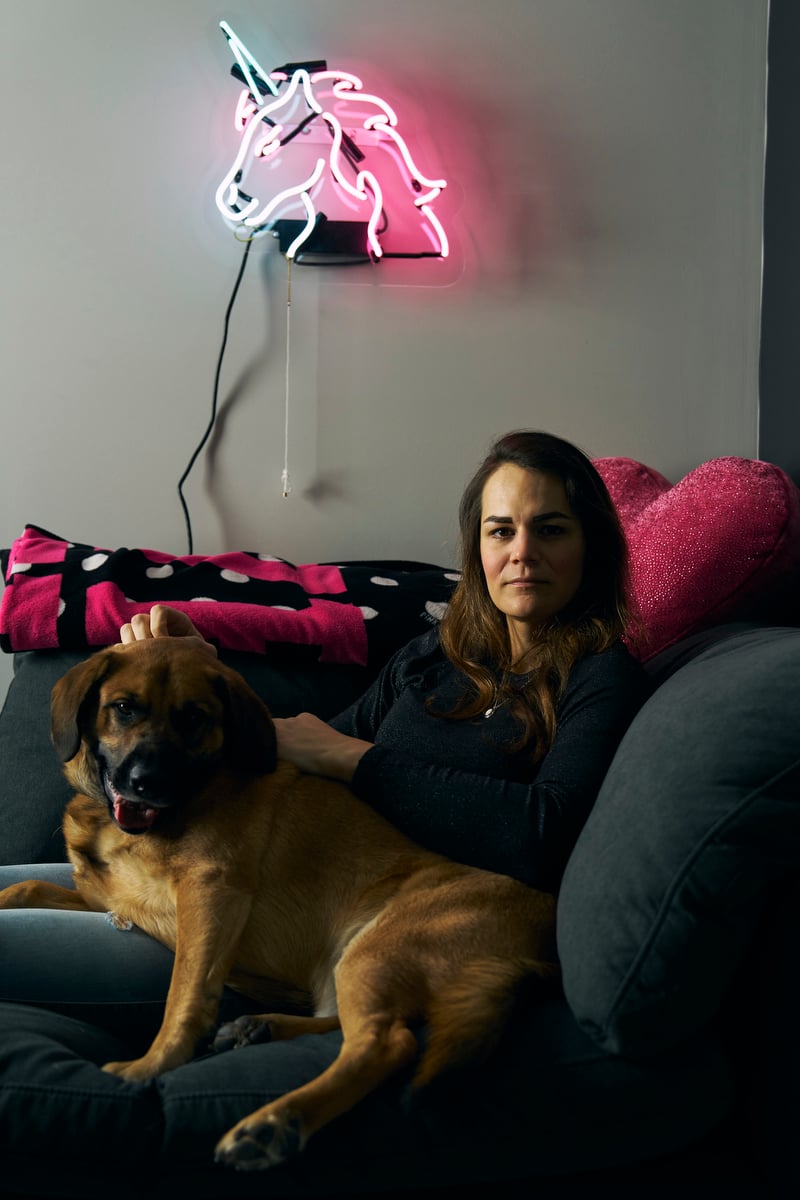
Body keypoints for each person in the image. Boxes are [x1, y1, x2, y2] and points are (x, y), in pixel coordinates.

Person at [0, 430, 649, 1027]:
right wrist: (204, 673)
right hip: (245, 881)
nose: (522, 553)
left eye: (551, 530)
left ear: (590, 544)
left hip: (287, 933)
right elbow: (302, 751)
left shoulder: (600, 673)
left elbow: (547, 829)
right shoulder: (436, 657)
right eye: (500, 531)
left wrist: (358, 762)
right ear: (477, 546)